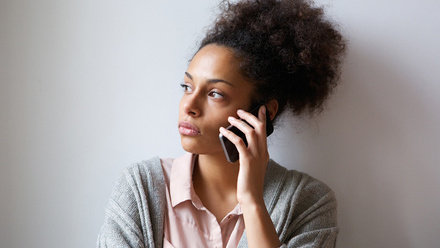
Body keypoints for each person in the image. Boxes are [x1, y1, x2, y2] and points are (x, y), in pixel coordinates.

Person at [97, 0, 346, 247]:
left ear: (264, 112)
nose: (189, 106)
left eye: (215, 93)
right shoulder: (140, 188)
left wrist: (252, 202)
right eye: (187, 87)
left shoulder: (310, 202)